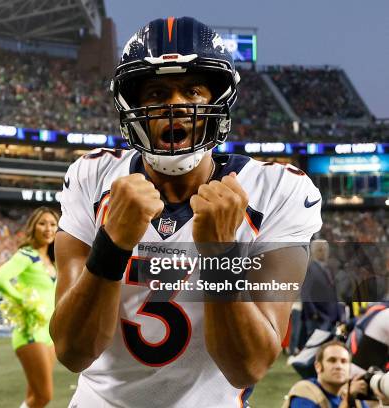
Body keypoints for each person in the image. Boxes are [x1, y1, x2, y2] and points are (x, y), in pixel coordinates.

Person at [51, 16, 323, 407]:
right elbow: (72, 351)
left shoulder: (279, 191)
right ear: (132, 104)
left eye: (193, 91)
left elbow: (248, 366)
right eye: (157, 92)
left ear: (217, 101)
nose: (176, 105)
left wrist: (220, 256)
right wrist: (111, 245)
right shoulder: (92, 178)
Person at [0, 207, 59, 408]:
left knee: (35, 398)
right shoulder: (27, 255)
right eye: (42, 223)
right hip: (30, 332)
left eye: (53, 224)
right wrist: (25, 302)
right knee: (44, 395)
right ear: (33, 227)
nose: (48, 229)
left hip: (48, 333)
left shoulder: (52, 261)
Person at [284, 340, 370, 408]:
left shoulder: (351, 392)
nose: (339, 366)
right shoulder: (305, 392)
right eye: (332, 360)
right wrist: (347, 401)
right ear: (318, 366)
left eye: (344, 361)